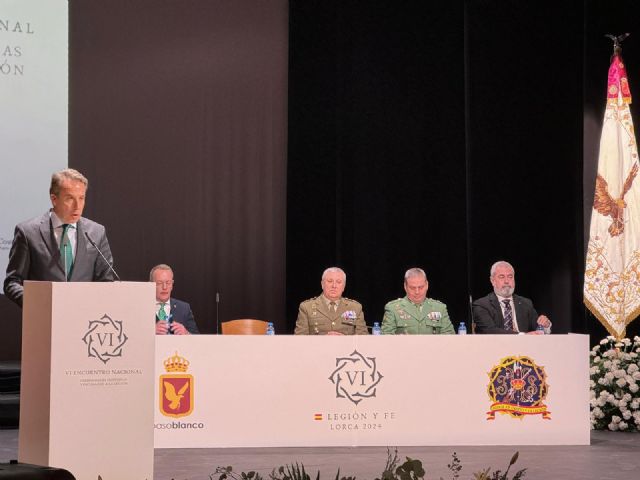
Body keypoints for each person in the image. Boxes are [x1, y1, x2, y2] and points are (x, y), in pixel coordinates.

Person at [3, 168, 115, 307]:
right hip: (43, 319)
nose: (77, 206)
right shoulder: (28, 232)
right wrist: (36, 303)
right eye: (70, 198)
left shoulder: (96, 232)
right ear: (54, 199)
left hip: (85, 320)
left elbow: (106, 281)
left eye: (81, 198)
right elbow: (13, 282)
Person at [472, 260, 551, 334]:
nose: (506, 281)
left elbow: (537, 329)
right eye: (502, 277)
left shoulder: (526, 303)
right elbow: (490, 331)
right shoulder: (481, 305)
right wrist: (522, 336)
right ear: (492, 281)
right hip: (496, 347)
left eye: (510, 277)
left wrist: (545, 326)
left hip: (524, 348)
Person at [295, 267, 368, 335]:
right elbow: (299, 340)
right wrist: (323, 341)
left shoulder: (355, 307)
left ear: (343, 287)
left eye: (339, 282)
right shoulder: (306, 307)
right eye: (330, 281)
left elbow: (364, 338)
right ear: (322, 284)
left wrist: (346, 340)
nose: (334, 286)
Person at [382, 267, 455, 334]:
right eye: (412, 288)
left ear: (427, 285)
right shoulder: (393, 309)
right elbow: (386, 339)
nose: (417, 292)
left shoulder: (439, 308)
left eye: (420, 287)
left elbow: (449, 337)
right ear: (405, 286)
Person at [151, 264, 199, 335]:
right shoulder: (142, 308)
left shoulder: (184, 308)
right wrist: (150, 332)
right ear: (151, 284)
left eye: (168, 283)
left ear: (172, 285)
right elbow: (131, 337)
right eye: (159, 283)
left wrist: (186, 333)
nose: (164, 287)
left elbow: (198, 339)